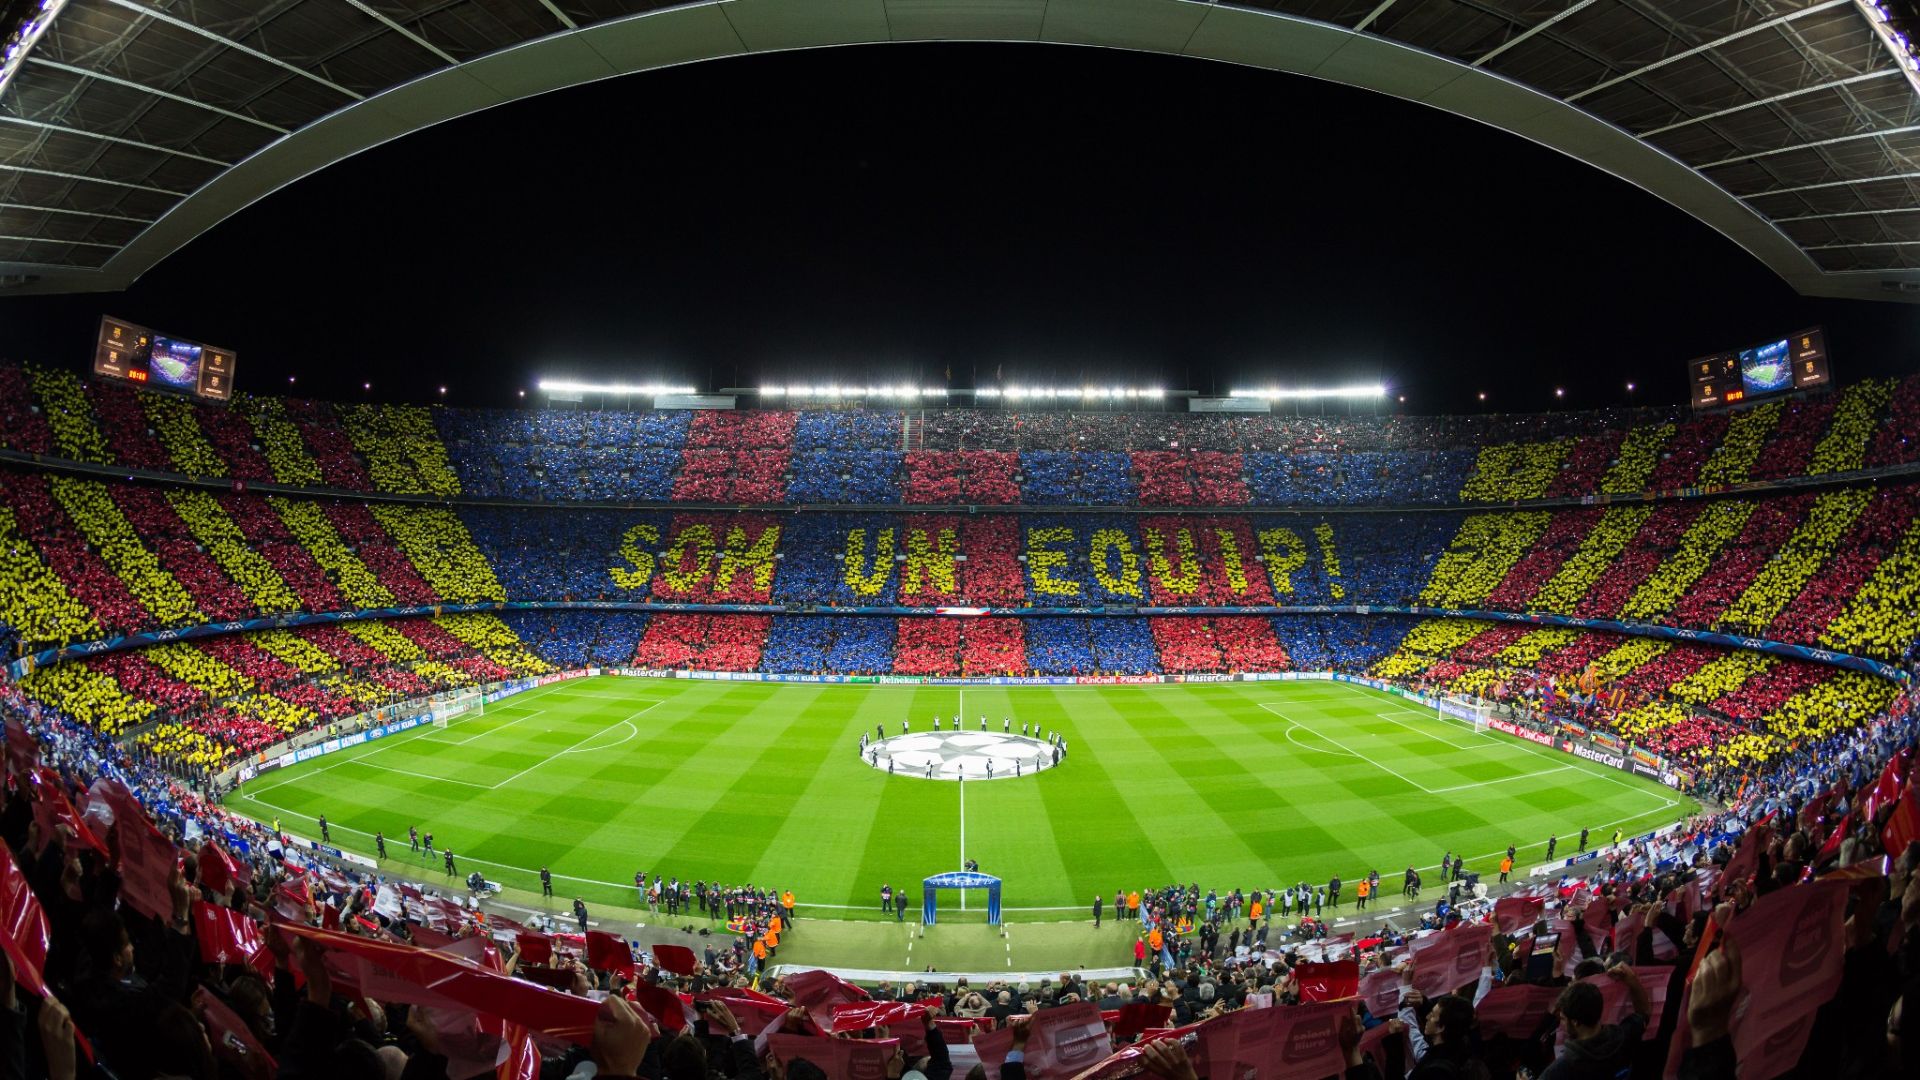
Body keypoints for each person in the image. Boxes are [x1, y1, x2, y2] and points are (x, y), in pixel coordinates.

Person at [1540, 966, 1649, 1079]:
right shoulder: (1624, 1037)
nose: (1561, 1022)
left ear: (1575, 1022)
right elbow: (1644, 1014)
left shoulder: (1559, 1070)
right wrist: (1631, 978)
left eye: (1563, 1018)